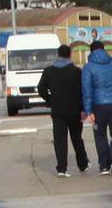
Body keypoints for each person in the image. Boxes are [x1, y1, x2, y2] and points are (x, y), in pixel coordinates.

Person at [38, 42, 89, 177]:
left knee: (60, 140)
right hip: (74, 110)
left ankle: (62, 168)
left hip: (58, 111)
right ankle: (83, 164)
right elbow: (83, 91)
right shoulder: (77, 71)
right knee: (76, 138)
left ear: (58, 55)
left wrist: (50, 100)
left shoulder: (49, 71)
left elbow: (41, 89)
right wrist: (83, 109)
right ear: (70, 55)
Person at [80, 40, 112, 177]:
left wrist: (88, 111)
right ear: (104, 49)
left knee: (100, 135)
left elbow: (86, 90)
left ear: (91, 51)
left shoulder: (88, 67)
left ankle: (104, 165)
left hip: (98, 105)